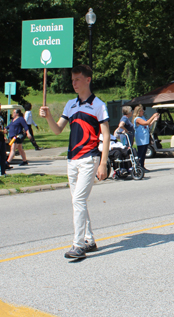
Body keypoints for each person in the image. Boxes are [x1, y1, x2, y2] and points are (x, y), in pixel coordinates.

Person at [39, 64, 110, 259]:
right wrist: (49, 117)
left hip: (90, 158)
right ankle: (90, 240)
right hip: (72, 159)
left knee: (78, 199)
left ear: (88, 80)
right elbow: (57, 130)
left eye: (77, 79)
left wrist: (103, 163)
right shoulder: (70, 104)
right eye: (72, 80)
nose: (74, 83)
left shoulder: (98, 105)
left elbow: (106, 133)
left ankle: (78, 245)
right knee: (78, 200)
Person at [132, 105, 159, 172]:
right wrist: (153, 116)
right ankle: (139, 166)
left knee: (144, 153)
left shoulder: (143, 117)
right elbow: (146, 123)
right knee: (140, 153)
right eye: (141, 111)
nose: (143, 112)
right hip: (141, 139)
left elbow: (148, 125)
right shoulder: (137, 119)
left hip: (145, 138)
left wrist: (154, 120)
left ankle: (142, 166)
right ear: (138, 112)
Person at [0, 104, 6, 176]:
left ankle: (3, 172)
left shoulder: (1, 116)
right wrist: (2, 131)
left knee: (3, 155)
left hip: (1, 138)